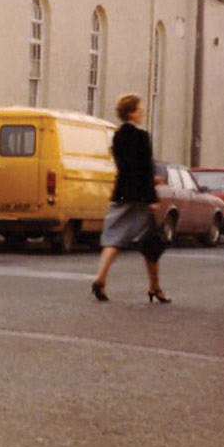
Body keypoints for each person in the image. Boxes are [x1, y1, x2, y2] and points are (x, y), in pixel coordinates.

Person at [91, 93, 170, 303]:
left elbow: (126, 167)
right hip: (140, 197)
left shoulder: (116, 136)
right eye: (139, 109)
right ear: (132, 112)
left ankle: (100, 277)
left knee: (114, 239)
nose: (142, 112)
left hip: (121, 192)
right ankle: (155, 287)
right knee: (151, 243)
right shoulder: (142, 137)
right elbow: (143, 168)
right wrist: (152, 196)